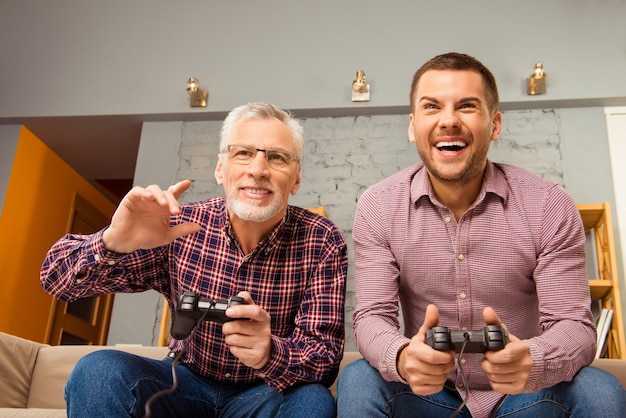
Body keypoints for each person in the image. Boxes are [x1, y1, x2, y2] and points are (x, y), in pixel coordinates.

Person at [336, 52, 625, 417]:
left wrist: (533, 360)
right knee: (358, 379)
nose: (449, 120)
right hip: (427, 395)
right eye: (432, 107)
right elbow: (372, 317)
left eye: (467, 106)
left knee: (600, 390)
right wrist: (404, 356)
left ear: (495, 124)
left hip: (522, 395)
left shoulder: (548, 204)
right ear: (412, 126)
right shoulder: (379, 205)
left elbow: (575, 326)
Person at [40, 102, 348, 418]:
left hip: (265, 391)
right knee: (98, 370)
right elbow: (55, 281)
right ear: (220, 169)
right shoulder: (178, 224)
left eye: (277, 157)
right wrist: (112, 242)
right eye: (242, 153)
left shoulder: (321, 239)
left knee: (313, 399)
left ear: (295, 179)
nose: (257, 169)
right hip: (182, 380)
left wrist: (270, 352)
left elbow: (324, 359)